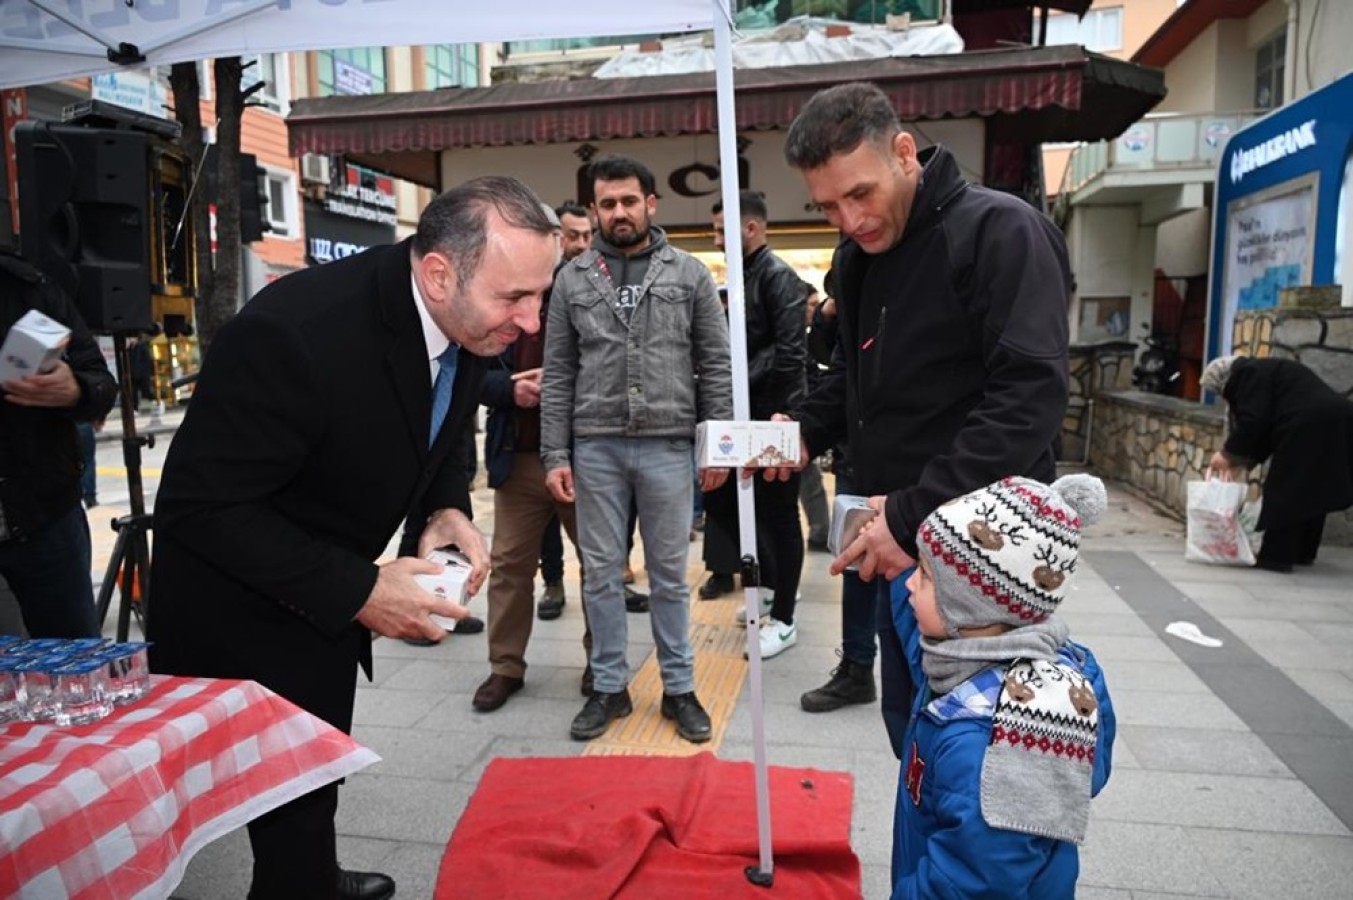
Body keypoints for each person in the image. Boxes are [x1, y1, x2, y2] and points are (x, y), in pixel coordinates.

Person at [148, 177, 558, 900]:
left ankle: (308, 877)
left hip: (324, 586)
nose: (528, 323)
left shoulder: (463, 320)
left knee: (310, 774)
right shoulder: (296, 333)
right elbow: (198, 507)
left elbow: (437, 427)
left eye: (538, 296)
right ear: (438, 273)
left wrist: (444, 506)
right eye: (513, 298)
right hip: (237, 600)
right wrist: (362, 588)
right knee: (276, 790)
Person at [771, 81, 1073, 757]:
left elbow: (1027, 398)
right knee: (910, 736)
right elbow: (857, 376)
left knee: (979, 756)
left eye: (860, 193)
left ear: (903, 153)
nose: (849, 220)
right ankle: (921, 866)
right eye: (827, 206)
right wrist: (797, 431)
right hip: (895, 540)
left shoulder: (1001, 231)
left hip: (983, 555)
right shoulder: (855, 261)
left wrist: (912, 515)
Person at [541, 154, 732, 743]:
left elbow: (716, 363)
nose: (618, 212)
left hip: (669, 444)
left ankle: (679, 689)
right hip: (595, 443)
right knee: (599, 574)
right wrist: (555, 455)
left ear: (651, 203)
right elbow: (558, 372)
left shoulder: (690, 274)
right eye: (607, 203)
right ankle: (608, 688)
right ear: (595, 209)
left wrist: (716, 445)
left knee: (671, 575)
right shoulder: (572, 279)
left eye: (629, 201)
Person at [890, 473, 1115, 897]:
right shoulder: (963, 655)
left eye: (923, 575)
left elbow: (972, 881)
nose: (908, 584)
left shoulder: (1003, 740)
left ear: (966, 605)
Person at [473, 202, 593, 712]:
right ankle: (505, 668)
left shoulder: (584, 293)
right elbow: (469, 373)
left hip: (582, 456)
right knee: (508, 567)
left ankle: (602, 664)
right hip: (517, 455)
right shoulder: (489, 295)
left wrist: (565, 387)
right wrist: (510, 390)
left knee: (601, 564)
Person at [698, 190, 809, 659]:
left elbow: (790, 353)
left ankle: (783, 616)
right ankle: (769, 586)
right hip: (742, 413)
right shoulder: (742, 277)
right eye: (716, 229)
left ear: (752, 227)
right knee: (725, 502)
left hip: (774, 413)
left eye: (725, 229)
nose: (718, 238)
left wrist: (736, 383)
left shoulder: (778, 276)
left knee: (780, 513)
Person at [0, 250, 117, 639]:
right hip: (41, 509)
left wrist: (75, 389)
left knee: (78, 666)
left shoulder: (26, 285)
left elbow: (99, 382)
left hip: (43, 514)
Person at [1202, 354, 1353, 573]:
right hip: (1339, 418)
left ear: (1223, 380)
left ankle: (1276, 557)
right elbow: (1266, 426)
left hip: (1308, 425)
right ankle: (1303, 551)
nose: (1223, 398)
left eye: (1219, 392)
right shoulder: (1264, 371)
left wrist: (1228, 454)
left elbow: (1255, 421)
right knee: (1313, 488)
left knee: (1285, 489)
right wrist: (1244, 460)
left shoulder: (1247, 375)